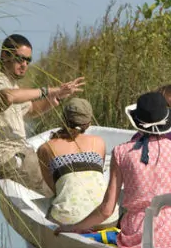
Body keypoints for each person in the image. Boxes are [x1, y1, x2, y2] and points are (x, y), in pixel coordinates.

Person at [55, 92, 171, 248]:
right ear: (167, 120)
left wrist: (74, 228)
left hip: (138, 234)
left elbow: (106, 210)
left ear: (138, 122)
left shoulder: (121, 153)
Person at [0, 34, 84, 196]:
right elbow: (8, 97)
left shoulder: (14, 85)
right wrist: (47, 90)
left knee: (58, 168)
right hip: (6, 158)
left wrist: (57, 97)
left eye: (28, 61)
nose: (24, 65)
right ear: (4, 56)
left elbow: (32, 110)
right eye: (20, 59)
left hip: (17, 154)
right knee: (57, 190)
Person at [37, 97, 119, 228]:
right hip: (108, 218)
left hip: (70, 220)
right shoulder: (98, 142)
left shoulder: (46, 148)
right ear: (89, 122)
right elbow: (98, 173)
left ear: (63, 119)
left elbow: (53, 187)